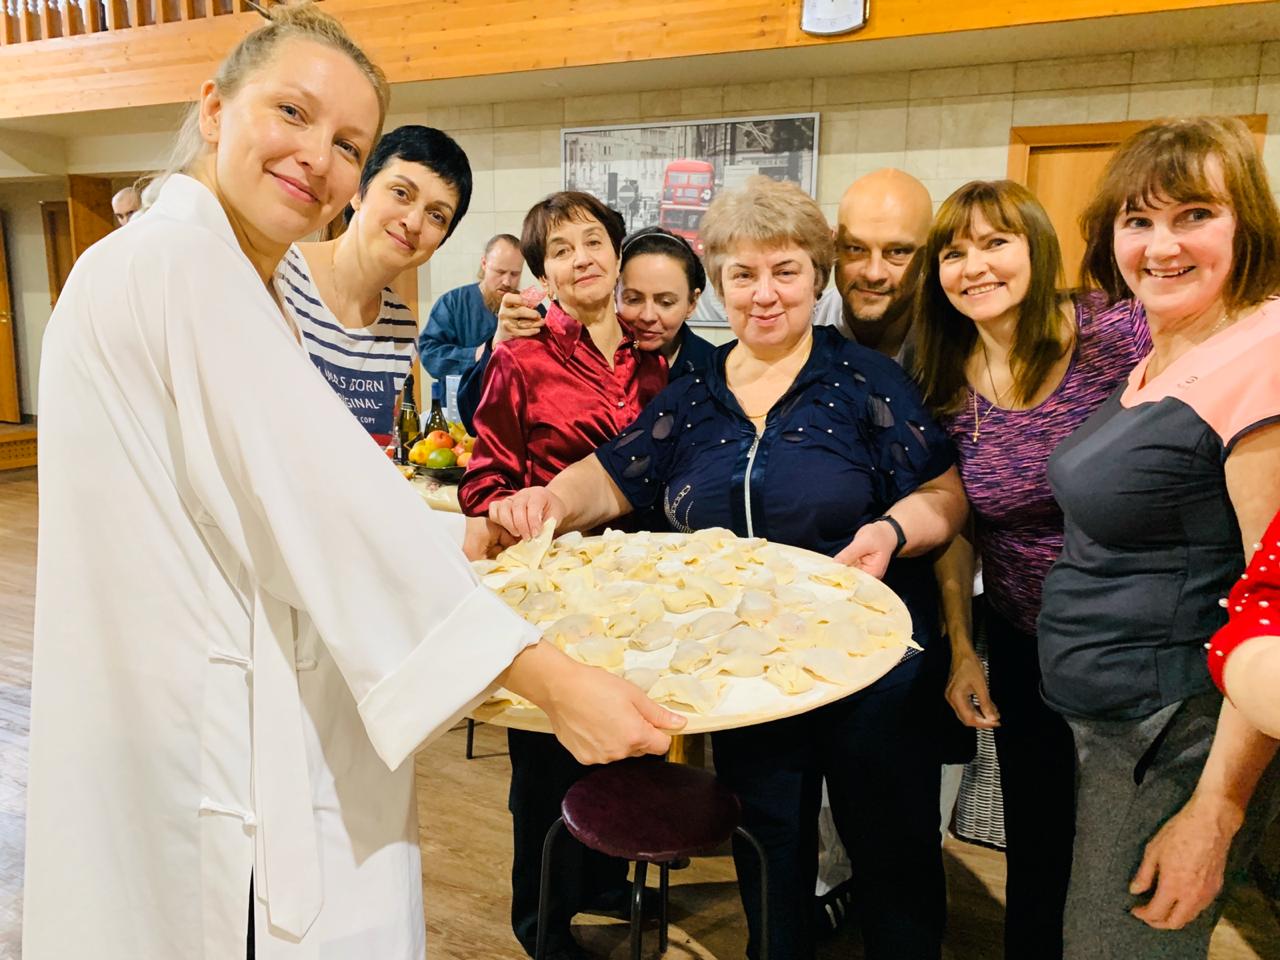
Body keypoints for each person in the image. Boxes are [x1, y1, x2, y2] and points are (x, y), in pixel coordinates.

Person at [21, 8, 682, 960]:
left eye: (346, 144)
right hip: (203, 704)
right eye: (292, 112)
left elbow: (286, 485)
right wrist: (547, 677)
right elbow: (317, 497)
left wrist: (458, 541)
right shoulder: (175, 263)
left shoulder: (221, 276)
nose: (316, 157)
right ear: (214, 108)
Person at [481, 176, 969, 960]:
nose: (764, 294)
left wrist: (890, 529)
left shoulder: (865, 380)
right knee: (770, 849)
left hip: (870, 669)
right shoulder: (695, 391)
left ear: (817, 277)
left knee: (891, 849)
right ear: (720, 283)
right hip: (750, 676)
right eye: (743, 274)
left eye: (785, 271)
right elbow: (614, 473)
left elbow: (943, 494)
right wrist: (550, 500)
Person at [1038, 116, 1280, 960]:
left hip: (1175, 732)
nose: (1161, 245)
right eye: (1137, 220)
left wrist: (1216, 811)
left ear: (1249, 223)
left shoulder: (1266, 358)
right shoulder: (1170, 345)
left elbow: (1272, 610)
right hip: (1116, 723)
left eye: (1194, 215)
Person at [914, 179, 1150, 960]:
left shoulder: (1117, 332)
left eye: (996, 242)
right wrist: (962, 647)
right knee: (1040, 840)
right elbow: (961, 527)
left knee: (1127, 848)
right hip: (1024, 638)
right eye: (954, 252)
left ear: (1036, 248)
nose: (975, 266)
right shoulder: (943, 380)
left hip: (1133, 641)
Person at [458, 192, 670, 960]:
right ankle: (542, 921)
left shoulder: (657, 359)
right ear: (543, 274)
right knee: (547, 764)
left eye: (593, 241)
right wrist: (512, 509)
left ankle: (608, 883)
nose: (582, 258)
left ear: (616, 252)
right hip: (555, 593)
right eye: (560, 249)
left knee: (628, 746)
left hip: (644, 591)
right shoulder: (520, 359)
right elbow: (483, 481)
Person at [275, 124, 467, 445]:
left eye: (437, 215)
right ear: (358, 191)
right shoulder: (281, 277)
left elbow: (378, 446)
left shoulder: (401, 328)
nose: (413, 222)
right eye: (401, 193)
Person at [454, 224, 713, 435]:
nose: (647, 316)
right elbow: (475, 419)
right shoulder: (578, 347)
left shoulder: (713, 369)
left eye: (666, 302)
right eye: (633, 299)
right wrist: (497, 345)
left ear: (692, 302)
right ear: (614, 290)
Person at [814, 167, 933, 363]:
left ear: (927, 256)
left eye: (897, 252)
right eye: (855, 249)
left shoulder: (957, 342)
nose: (873, 274)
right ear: (833, 247)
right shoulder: (803, 329)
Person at [418, 232, 526, 407]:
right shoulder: (453, 303)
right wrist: (475, 355)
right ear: (484, 264)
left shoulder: (528, 309)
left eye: (515, 274)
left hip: (514, 410)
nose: (507, 281)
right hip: (460, 412)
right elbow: (429, 353)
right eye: (500, 272)